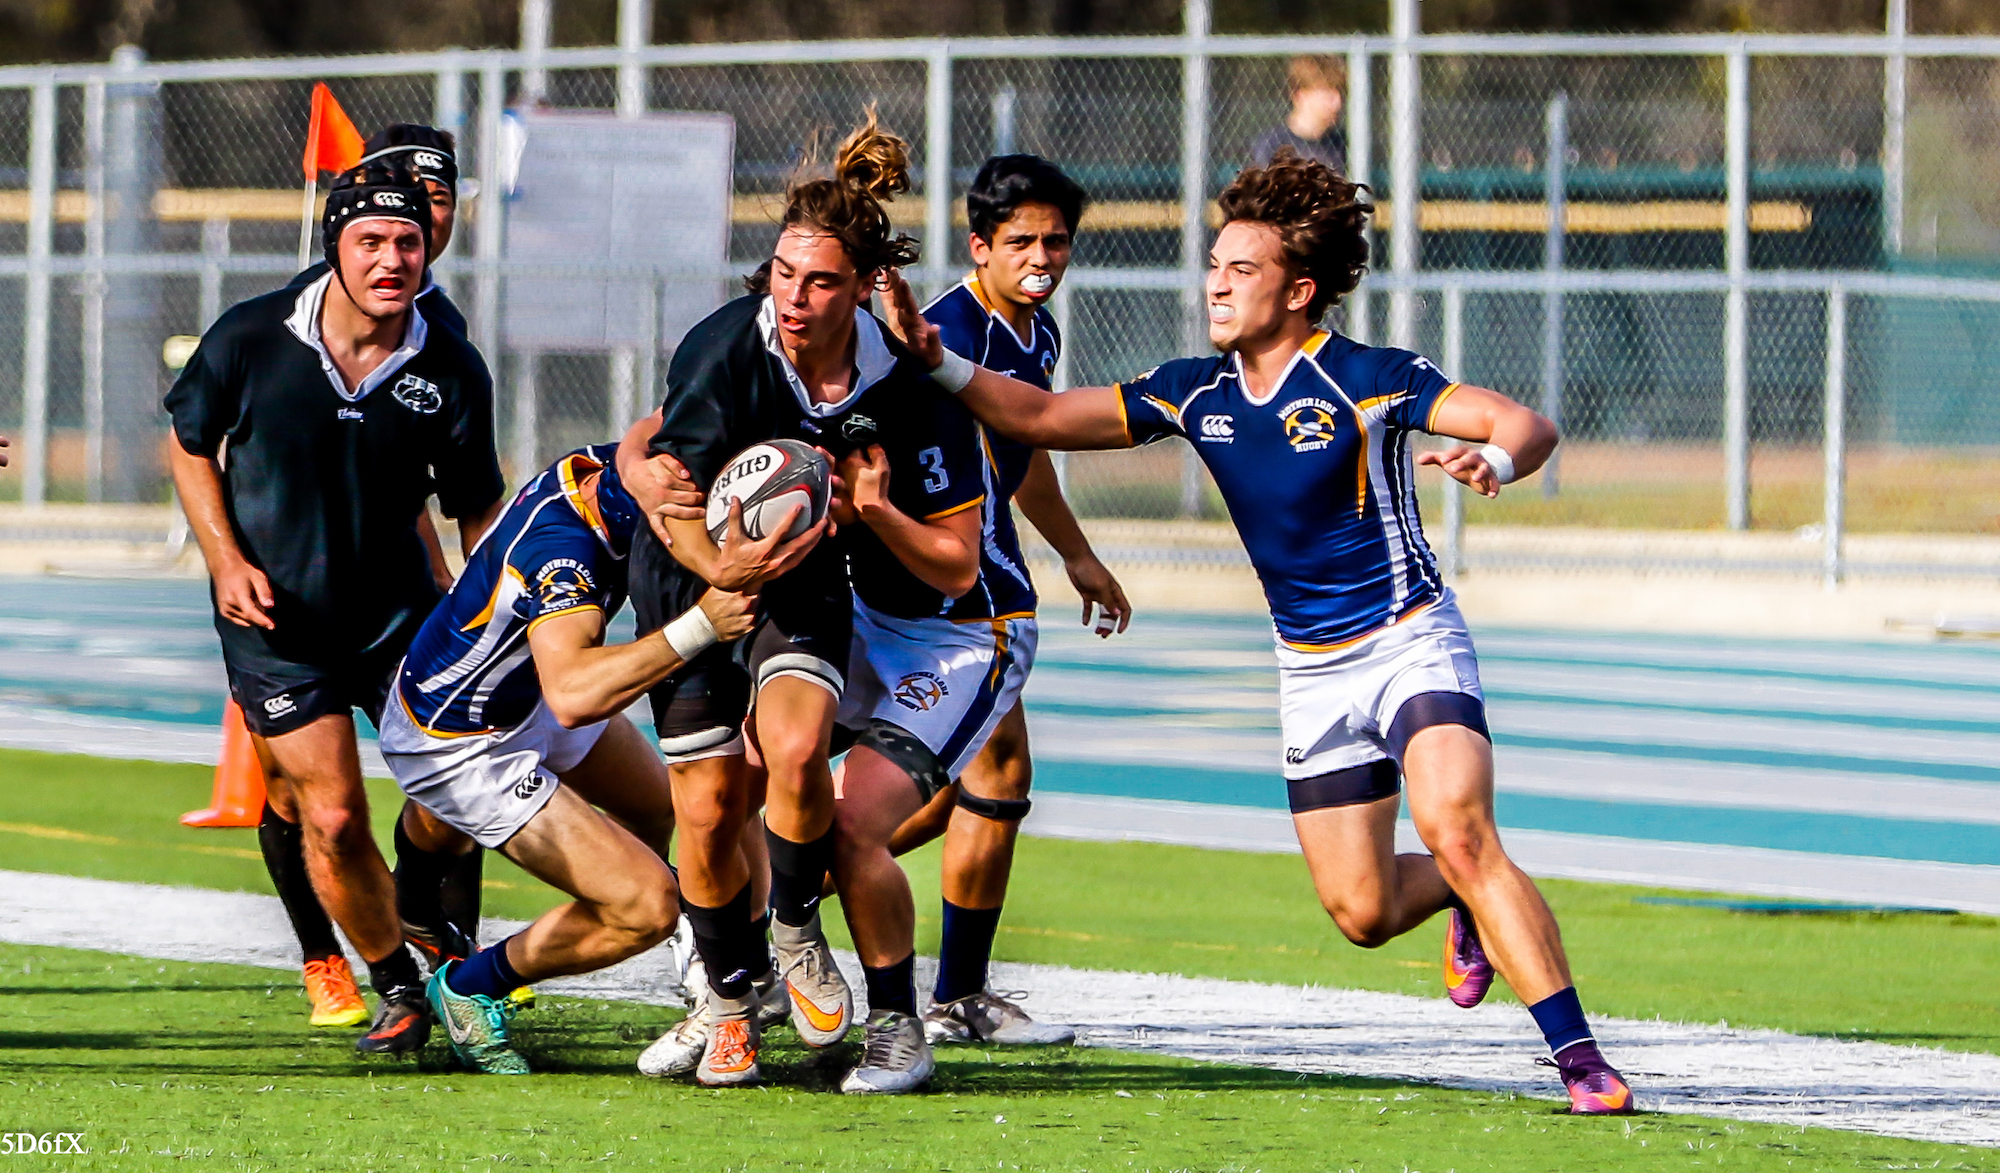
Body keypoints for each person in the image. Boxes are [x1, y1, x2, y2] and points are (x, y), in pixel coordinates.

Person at [881, 149, 1637, 1116]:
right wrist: (931, 355)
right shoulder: (1195, 391)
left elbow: (1523, 422)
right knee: (1362, 913)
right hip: (1312, 674)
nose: (1215, 282)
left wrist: (1495, 457)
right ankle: (1461, 899)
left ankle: (1581, 1063)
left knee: (1459, 829)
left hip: (1410, 639)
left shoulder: (1369, 377)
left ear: (1299, 289)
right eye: (1215, 264)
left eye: (1242, 269)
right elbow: (1037, 415)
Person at [618, 108, 984, 1094]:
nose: (792, 297)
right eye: (781, 274)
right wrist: (716, 571)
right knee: (701, 810)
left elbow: (959, 563)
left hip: (810, 574)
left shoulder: (905, 386)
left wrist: (864, 512)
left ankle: (790, 928)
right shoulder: (727, 347)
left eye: (819, 281)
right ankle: (727, 1008)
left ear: (862, 288)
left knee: (789, 753)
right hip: (688, 577)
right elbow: (667, 491)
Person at [165, 159, 505, 1055]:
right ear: (336, 248)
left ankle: (424, 911)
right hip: (278, 625)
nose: (393, 258)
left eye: (409, 241)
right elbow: (188, 441)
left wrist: (500, 614)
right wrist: (225, 559)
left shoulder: (452, 364)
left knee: (461, 785)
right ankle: (393, 981)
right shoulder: (251, 336)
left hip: (400, 618)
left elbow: (477, 506)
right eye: (372, 241)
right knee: (333, 814)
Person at [380, 442, 822, 1074]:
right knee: (644, 907)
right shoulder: (566, 558)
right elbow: (576, 693)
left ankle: (740, 968)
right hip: (463, 740)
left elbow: (661, 421)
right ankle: (469, 987)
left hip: (521, 691)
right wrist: (700, 623)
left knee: (700, 804)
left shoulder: (623, 467)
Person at [868, 154, 1130, 1047]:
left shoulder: (1036, 330)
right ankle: (742, 913)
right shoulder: (941, 333)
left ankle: (750, 910)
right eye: (1022, 240)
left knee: (972, 786)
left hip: (988, 578)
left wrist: (1080, 555)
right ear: (980, 246)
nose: (1043, 255)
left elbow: (1030, 449)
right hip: (940, 592)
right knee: (983, 775)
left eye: (1057, 239)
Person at [256, 125, 497, 1025]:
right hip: (292, 597)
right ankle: (324, 954)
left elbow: (443, 483)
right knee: (299, 793)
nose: (424, 217)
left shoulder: (447, 335)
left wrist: (470, 598)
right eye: (403, 198)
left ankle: (445, 955)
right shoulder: (298, 315)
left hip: (401, 594)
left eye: (438, 200)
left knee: (459, 765)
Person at [1251, 56, 1348, 173]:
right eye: (1328, 94)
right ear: (1300, 94)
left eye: (1340, 92)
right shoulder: (1271, 147)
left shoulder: (1344, 145)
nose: (1338, 102)